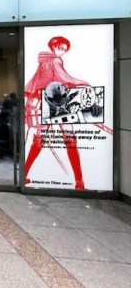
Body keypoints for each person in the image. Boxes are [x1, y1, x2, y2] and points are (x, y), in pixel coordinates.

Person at [24, 36, 87, 189]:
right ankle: (79, 181)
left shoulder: (44, 60)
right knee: (70, 140)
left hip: (45, 101)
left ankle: (24, 175)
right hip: (59, 101)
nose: (62, 51)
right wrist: (80, 83)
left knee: (39, 140)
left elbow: (38, 82)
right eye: (60, 48)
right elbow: (62, 79)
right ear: (53, 46)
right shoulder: (55, 60)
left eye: (65, 49)